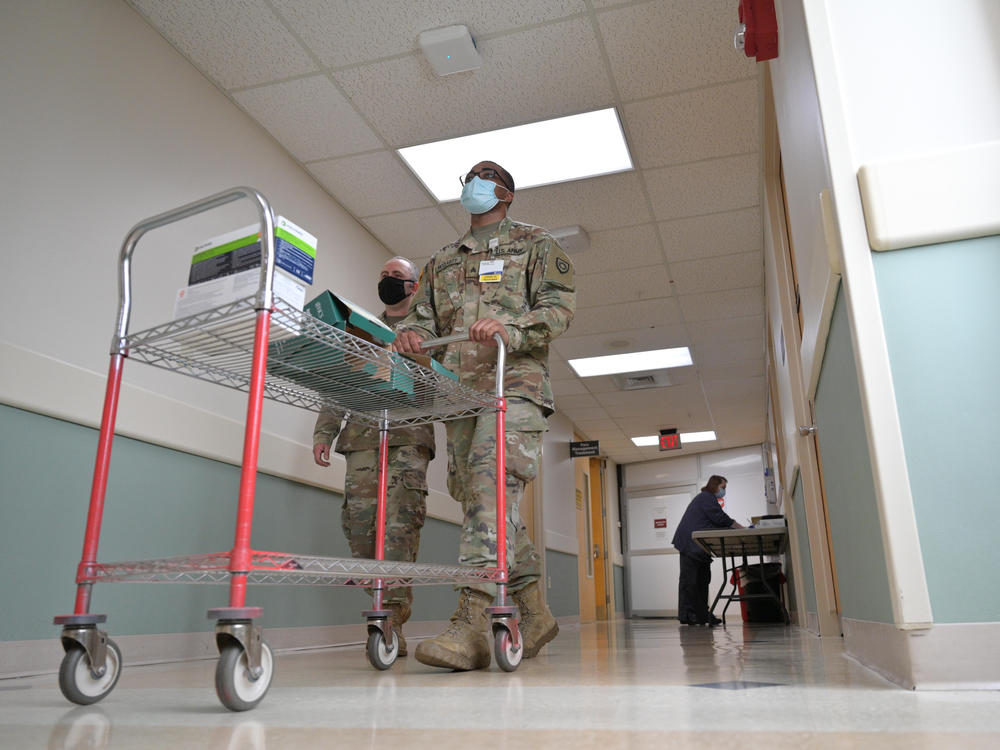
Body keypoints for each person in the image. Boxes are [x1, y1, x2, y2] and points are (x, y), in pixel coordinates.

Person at [393, 160, 576, 670]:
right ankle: (535, 613)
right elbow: (422, 316)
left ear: (506, 195)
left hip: (513, 386)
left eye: (485, 178)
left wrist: (511, 326)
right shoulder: (443, 261)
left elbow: (559, 307)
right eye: (468, 179)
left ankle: (474, 620)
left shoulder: (536, 245)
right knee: (479, 496)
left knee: (489, 486)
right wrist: (412, 336)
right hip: (459, 395)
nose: (473, 185)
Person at [312, 256, 434, 656]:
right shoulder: (361, 328)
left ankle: (392, 617)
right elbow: (339, 382)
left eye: (396, 277)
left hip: (406, 437)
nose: (387, 281)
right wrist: (325, 433)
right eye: (383, 275)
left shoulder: (428, 328)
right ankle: (377, 601)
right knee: (359, 527)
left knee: (398, 530)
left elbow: (440, 384)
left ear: (413, 286)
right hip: (362, 439)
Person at [671, 475, 744, 626]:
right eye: (723, 488)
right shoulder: (706, 498)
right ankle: (690, 615)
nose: (724, 491)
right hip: (690, 544)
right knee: (691, 581)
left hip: (696, 546)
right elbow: (720, 519)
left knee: (702, 579)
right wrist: (739, 527)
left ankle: (701, 614)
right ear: (715, 485)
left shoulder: (706, 499)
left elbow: (715, 522)